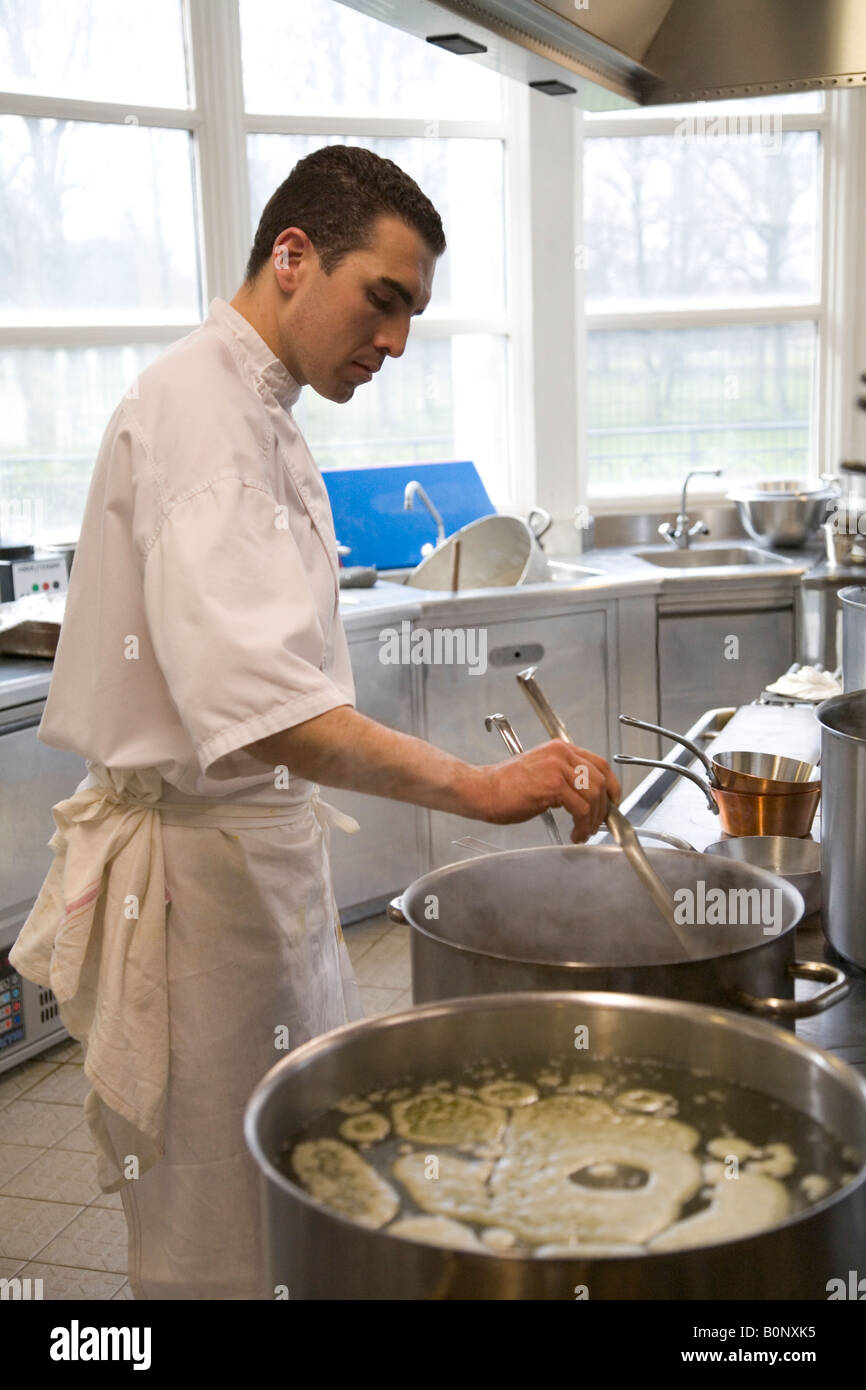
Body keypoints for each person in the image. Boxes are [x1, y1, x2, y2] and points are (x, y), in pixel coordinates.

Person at [10, 145, 619, 1300]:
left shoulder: (260, 405)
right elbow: (276, 713)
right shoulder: (202, 417)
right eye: (380, 299)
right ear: (291, 257)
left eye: (412, 315)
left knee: (294, 1182)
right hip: (201, 902)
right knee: (222, 1237)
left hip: (251, 870)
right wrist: (484, 788)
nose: (393, 341)